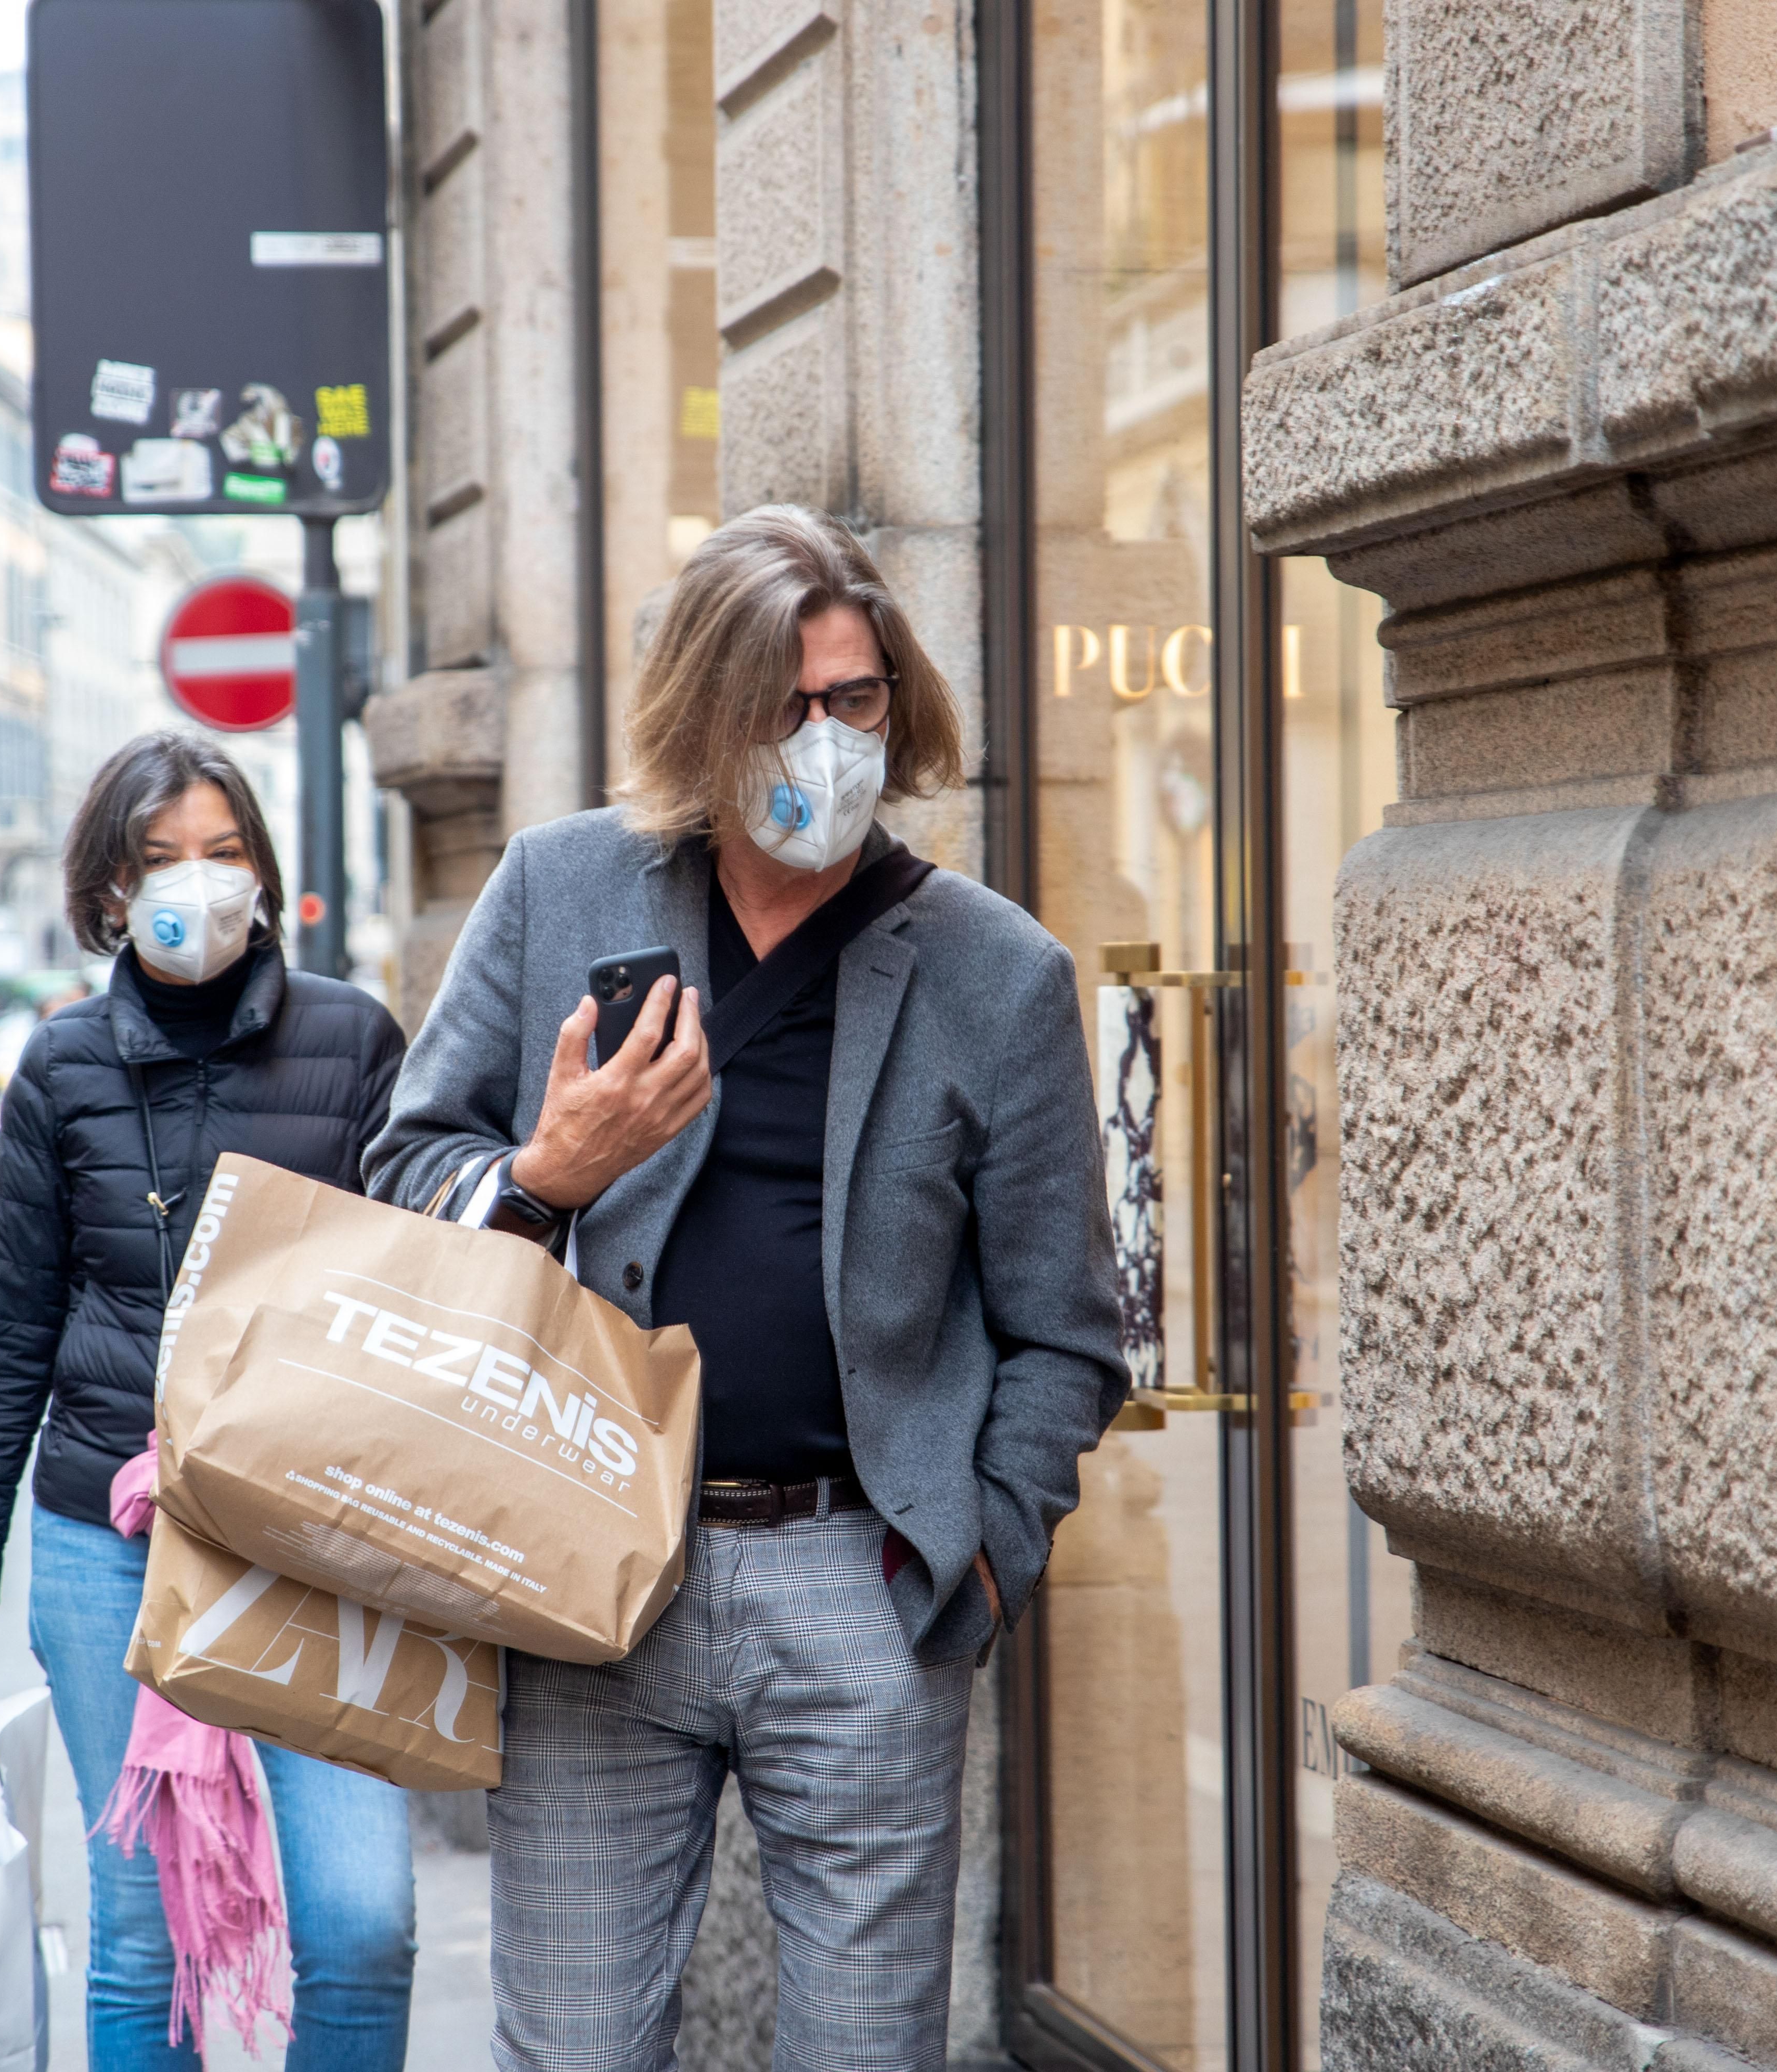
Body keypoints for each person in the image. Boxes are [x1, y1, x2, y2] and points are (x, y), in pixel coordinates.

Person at [365, 504, 1126, 2072]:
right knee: (572, 2046)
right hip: (592, 1574)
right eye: (787, 705)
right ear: (705, 716)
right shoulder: (560, 887)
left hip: (866, 1582)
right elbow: (403, 1170)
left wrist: (978, 1564)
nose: (831, 738)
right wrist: (547, 1173)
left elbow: (1067, 1330)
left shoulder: (996, 971)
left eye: (858, 700)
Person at [0, 733, 417, 2072]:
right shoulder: (62, 1064)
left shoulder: (355, 1039)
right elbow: (7, 1323)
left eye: (220, 852)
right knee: (139, 1935)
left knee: (364, 1922)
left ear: (263, 874)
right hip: (107, 1539)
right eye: (157, 862)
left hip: (315, 1538)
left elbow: (421, 1294)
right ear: (105, 893)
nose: (192, 886)